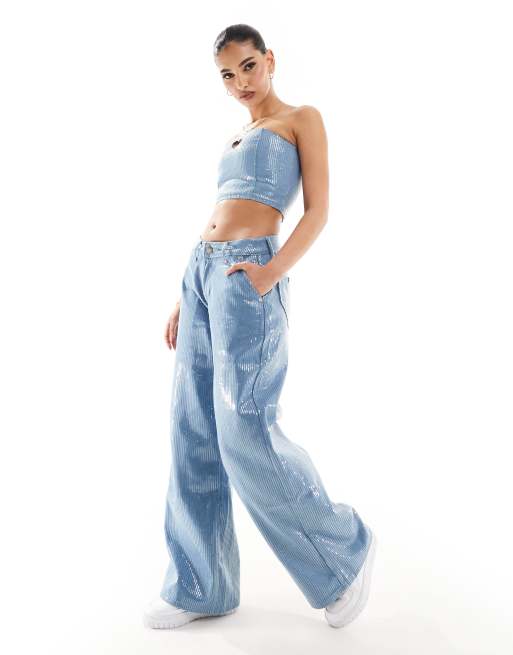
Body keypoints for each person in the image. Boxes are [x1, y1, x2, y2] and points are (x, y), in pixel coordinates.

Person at [143, 23, 377, 630]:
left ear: (269, 60)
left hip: (250, 276)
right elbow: (220, 214)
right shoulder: (237, 136)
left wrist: (271, 273)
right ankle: (201, 585)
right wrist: (186, 296)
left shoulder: (301, 118)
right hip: (202, 275)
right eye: (227, 75)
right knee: (192, 429)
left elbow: (318, 210)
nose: (240, 82)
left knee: (244, 431)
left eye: (248, 66)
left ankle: (341, 555)